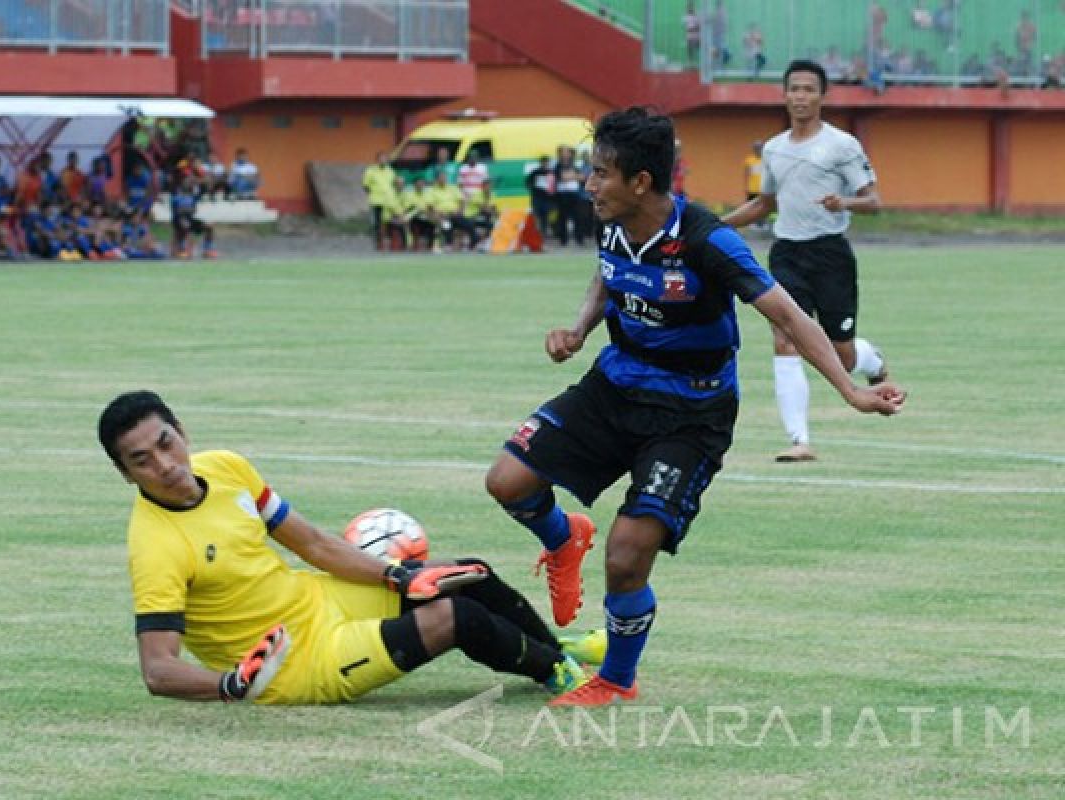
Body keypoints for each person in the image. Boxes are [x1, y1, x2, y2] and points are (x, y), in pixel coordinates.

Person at [483, 106, 905, 707]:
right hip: (614, 387)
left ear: (641, 182)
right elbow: (607, 277)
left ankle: (616, 680)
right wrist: (577, 330)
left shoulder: (708, 241)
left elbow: (785, 314)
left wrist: (851, 390)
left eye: (602, 173)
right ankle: (562, 539)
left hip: (691, 413)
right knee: (508, 481)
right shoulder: (612, 222)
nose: (590, 185)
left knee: (628, 555)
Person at [97, 390, 599, 705]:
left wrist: (398, 575)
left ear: (181, 430)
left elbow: (314, 543)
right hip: (298, 663)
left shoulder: (226, 467)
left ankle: (554, 646)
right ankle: (557, 671)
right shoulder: (155, 545)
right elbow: (157, 670)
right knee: (456, 619)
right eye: (142, 461)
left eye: (166, 443)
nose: (164, 464)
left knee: (467, 573)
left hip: (319, 600)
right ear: (125, 474)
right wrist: (230, 683)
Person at [722, 60, 891, 462]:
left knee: (841, 355)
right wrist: (713, 226)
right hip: (787, 253)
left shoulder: (842, 145)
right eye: (793, 89)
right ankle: (799, 440)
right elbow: (764, 204)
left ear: (821, 96)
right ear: (784, 95)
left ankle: (871, 358)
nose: (800, 96)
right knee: (785, 336)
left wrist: (843, 201)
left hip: (830, 254)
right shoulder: (774, 149)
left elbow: (874, 201)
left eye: (808, 89)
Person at [361, 152, 397, 250]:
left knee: (388, 222)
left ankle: (388, 242)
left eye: (385, 159)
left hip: (388, 201)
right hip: (376, 201)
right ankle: (377, 243)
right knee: (376, 223)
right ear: (377, 160)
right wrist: (372, 194)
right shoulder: (370, 171)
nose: (383, 161)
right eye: (381, 159)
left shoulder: (390, 171)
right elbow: (365, 185)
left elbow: (394, 184)